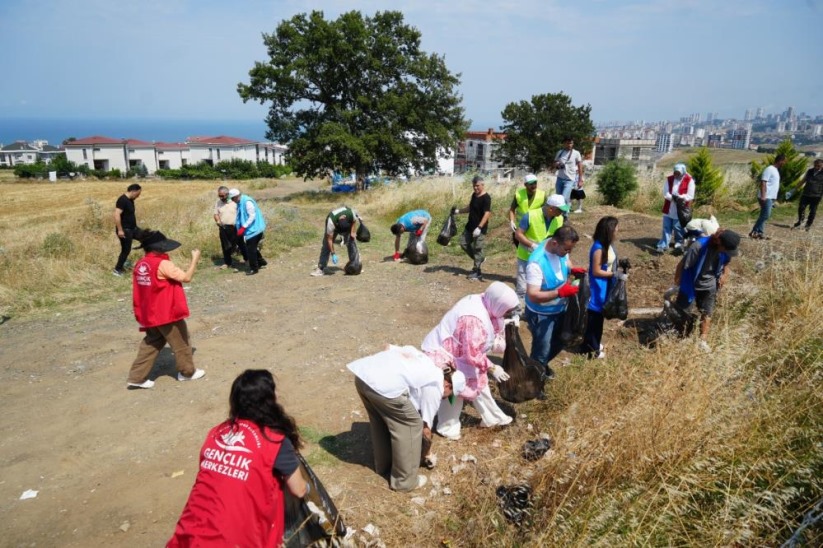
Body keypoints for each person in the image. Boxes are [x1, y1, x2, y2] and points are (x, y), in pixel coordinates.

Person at [167, 369, 308, 547]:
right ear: (268, 400)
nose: (278, 394)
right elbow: (299, 490)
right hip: (235, 539)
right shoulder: (273, 440)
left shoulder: (217, 433)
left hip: (190, 533)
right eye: (275, 390)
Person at [347, 345, 465, 492]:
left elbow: (387, 347)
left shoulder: (425, 362)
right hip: (383, 387)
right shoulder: (436, 386)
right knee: (412, 424)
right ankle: (405, 482)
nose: (445, 398)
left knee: (381, 421)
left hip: (363, 376)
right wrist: (427, 454)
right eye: (449, 395)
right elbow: (425, 429)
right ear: (448, 385)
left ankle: (383, 466)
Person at [421, 282, 517, 440]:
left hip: (459, 352)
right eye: (506, 311)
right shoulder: (473, 320)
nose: (507, 314)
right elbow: (471, 354)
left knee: (479, 383)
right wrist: (492, 367)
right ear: (498, 305)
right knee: (455, 389)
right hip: (447, 354)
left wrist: (505, 324)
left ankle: (493, 418)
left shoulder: (484, 301)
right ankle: (447, 427)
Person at [126, 229, 205, 389]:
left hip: (149, 312)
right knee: (181, 340)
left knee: (152, 342)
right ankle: (187, 372)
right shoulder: (163, 264)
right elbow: (186, 277)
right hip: (166, 312)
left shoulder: (141, 263)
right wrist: (194, 260)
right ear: (159, 248)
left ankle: (137, 377)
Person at [524, 226, 583, 378]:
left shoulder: (561, 249)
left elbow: (566, 262)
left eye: (571, 250)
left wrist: (572, 269)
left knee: (561, 340)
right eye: (566, 249)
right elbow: (533, 294)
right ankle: (535, 379)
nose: (568, 253)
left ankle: (539, 365)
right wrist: (559, 292)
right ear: (555, 243)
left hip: (559, 309)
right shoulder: (536, 263)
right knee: (542, 348)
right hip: (542, 314)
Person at [673, 229, 740, 352]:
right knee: (683, 312)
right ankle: (681, 338)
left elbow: (726, 264)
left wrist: (724, 275)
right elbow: (682, 264)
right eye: (725, 249)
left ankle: (702, 341)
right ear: (719, 242)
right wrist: (678, 282)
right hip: (691, 283)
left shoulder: (725, 250)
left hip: (710, 285)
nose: (727, 252)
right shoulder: (698, 246)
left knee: (707, 313)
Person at [514, 194, 567, 311]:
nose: (562, 213)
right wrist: (532, 245)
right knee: (522, 287)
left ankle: (534, 309)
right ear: (551, 208)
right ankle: (518, 312)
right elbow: (518, 234)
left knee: (539, 285)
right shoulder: (531, 215)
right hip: (526, 257)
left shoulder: (559, 219)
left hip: (545, 260)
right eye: (560, 210)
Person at [582, 216, 626, 360]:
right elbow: (595, 271)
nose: (618, 230)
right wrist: (615, 274)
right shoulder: (598, 248)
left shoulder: (608, 245)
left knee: (597, 319)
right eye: (616, 228)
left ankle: (589, 345)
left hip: (605, 285)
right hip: (598, 287)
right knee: (595, 321)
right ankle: (592, 351)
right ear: (609, 230)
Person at [453, 175, 492, 281]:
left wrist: (479, 227)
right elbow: (470, 208)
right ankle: (480, 259)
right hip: (469, 226)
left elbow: (487, 213)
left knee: (477, 248)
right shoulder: (474, 195)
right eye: (474, 186)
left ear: (482, 185)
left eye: (477, 186)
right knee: (463, 243)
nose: (475, 188)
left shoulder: (486, 198)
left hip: (480, 229)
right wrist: (459, 211)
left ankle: (477, 272)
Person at [655, 163, 695, 254]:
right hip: (669, 207)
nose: (676, 175)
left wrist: (680, 198)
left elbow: (690, 195)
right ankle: (664, 244)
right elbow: (665, 193)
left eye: (678, 173)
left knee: (678, 227)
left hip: (681, 209)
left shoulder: (689, 180)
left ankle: (679, 242)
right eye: (675, 173)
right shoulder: (669, 179)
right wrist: (673, 198)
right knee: (666, 226)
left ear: (683, 172)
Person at [311, 206, 361, 276]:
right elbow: (329, 239)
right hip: (333, 222)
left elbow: (354, 220)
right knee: (326, 246)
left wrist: (352, 231)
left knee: (351, 242)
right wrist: (333, 253)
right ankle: (321, 268)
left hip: (346, 225)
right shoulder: (330, 223)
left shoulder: (350, 214)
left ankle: (355, 266)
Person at [229, 188, 267, 275]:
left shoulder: (247, 202)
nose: (232, 200)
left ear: (236, 196)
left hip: (255, 229)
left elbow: (252, 216)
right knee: (251, 247)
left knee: (250, 249)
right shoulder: (239, 202)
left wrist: (243, 227)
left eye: (232, 198)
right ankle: (261, 262)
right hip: (250, 229)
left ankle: (254, 268)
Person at [749, 154, 787, 240]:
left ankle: (760, 233)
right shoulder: (769, 169)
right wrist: (763, 196)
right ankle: (754, 231)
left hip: (770, 197)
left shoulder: (776, 170)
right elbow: (763, 182)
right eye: (784, 161)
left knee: (764, 215)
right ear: (780, 161)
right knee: (766, 215)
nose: (785, 163)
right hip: (766, 196)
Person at [213, 185, 248, 269]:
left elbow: (242, 213)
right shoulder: (218, 203)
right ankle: (227, 263)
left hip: (236, 227)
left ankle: (247, 260)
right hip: (224, 228)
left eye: (222, 195)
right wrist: (218, 221)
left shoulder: (235, 201)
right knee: (225, 246)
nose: (221, 197)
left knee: (241, 244)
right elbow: (216, 214)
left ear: (227, 194)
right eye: (219, 195)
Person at [508, 173, 546, 247]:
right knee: (521, 249)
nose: (534, 186)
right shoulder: (518, 195)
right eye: (531, 184)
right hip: (521, 228)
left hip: (535, 228)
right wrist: (512, 221)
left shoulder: (542, 195)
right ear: (525, 185)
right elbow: (512, 209)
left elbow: (546, 212)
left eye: (535, 183)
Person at [113, 183, 142, 276]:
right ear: (133, 191)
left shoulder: (131, 200)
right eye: (138, 194)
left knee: (147, 238)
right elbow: (117, 214)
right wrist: (120, 230)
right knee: (126, 250)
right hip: (125, 230)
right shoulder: (122, 200)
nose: (138, 196)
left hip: (133, 229)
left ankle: (152, 262)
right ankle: (117, 270)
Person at [553, 137, 584, 221]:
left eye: (571, 143)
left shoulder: (576, 153)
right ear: (564, 143)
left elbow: (580, 166)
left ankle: (565, 216)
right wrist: (557, 164)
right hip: (560, 178)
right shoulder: (560, 152)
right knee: (560, 198)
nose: (569, 145)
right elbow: (554, 163)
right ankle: (561, 215)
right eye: (568, 143)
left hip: (570, 180)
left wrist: (580, 179)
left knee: (564, 197)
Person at [793, 158, 823, 232]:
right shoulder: (810, 171)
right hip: (806, 193)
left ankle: (808, 225)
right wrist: (795, 189)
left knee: (812, 211)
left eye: (819, 166)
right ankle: (800, 221)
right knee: (801, 207)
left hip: (816, 195)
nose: (817, 167)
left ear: (822, 165)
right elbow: (803, 180)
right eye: (815, 165)